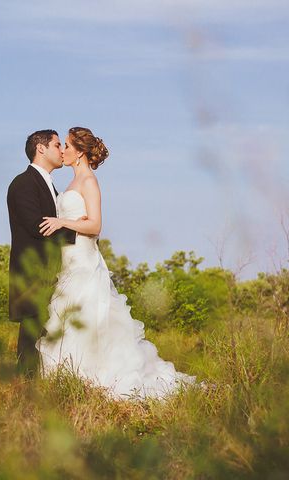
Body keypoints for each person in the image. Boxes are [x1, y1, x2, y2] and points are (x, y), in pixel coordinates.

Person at [36, 127, 199, 400]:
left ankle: (95, 380)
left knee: (90, 322)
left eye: (65, 145)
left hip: (85, 265)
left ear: (79, 152)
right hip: (68, 264)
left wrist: (62, 222)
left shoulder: (88, 181)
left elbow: (96, 225)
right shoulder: (69, 184)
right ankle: (70, 382)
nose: (62, 151)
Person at [6, 129, 78, 377]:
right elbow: (39, 227)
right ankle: (23, 392)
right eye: (58, 145)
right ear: (41, 148)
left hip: (52, 272)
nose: (62, 151)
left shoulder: (49, 185)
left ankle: (40, 386)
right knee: (31, 335)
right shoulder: (23, 184)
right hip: (32, 273)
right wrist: (80, 235)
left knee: (45, 334)